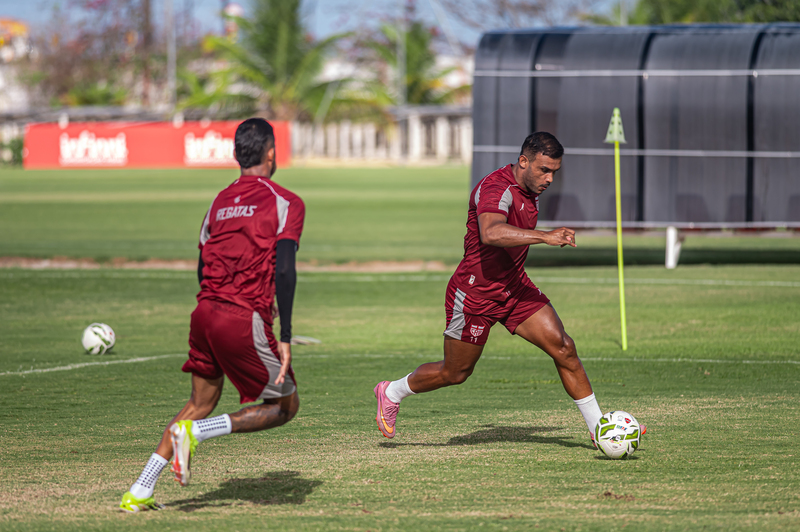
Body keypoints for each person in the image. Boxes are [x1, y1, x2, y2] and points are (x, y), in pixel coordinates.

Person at [374, 132, 644, 447]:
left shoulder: (530, 187)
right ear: (523, 161)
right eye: (544, 170)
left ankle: (601, 431)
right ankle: (391, 391)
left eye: (555, 171)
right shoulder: (495, 188)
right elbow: (490, 232)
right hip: (476, 293)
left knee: (564, 347)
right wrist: (545, 237)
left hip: (514, 287)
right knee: (456, 373)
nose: (550, 178)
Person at [120, 118, 305, 512]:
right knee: (284, 406)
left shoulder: (219, 200)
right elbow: (286, 268)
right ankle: (198, 433)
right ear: (271, 152)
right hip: (240, 317)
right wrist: (285, 333)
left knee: (199, 400)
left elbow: (203, 262)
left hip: (203, 313)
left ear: (236, 154)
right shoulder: (286, 200)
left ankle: (139, 489)